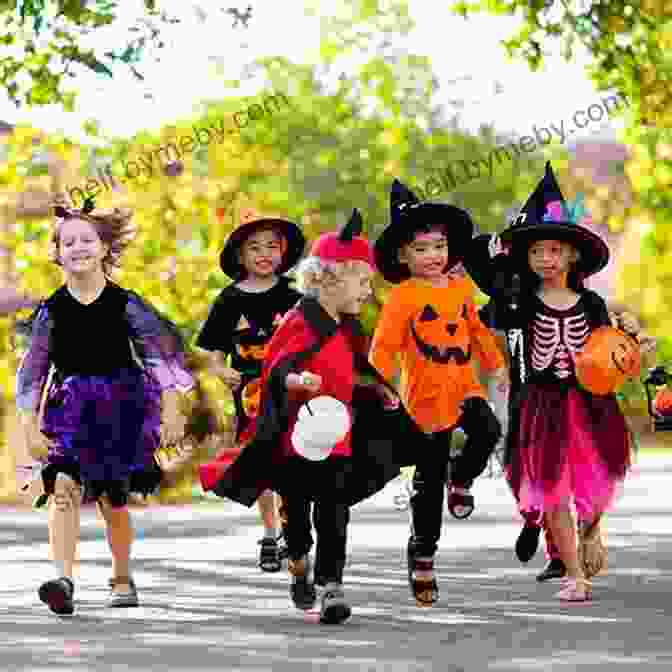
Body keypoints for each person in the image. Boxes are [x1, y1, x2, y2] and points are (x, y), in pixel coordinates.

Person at [199, 209, 422, 624]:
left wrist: (376, 390)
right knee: (298, 513)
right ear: (328, 279)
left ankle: (331, 585)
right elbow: (278, 365)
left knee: (334, 507)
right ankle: (299, 561)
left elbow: (355, 366)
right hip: (293, 439)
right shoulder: (300, 319)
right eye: (361, 281)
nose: (367, 291)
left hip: (337, 435)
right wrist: (296, 378)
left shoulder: (348, 325)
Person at [463, 162, 641, 601]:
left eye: (555, 251)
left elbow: (614, 351)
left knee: (597, 487)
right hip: (540, 404)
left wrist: (633, 342)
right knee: (552, 491)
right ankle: (575, 575)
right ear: (526, 257)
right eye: (537, 251)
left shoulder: (593, 303)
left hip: (589, 403)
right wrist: (500, 249)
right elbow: (478, 269)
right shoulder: (519, 302)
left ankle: (591, 531)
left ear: (572, 256)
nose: (546, 258)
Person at [16, 197, 193, 615]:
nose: (77, 247)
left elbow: (159, 357)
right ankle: (63, 577)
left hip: (120, 408)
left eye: (86, 240)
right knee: (62, 487)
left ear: (103, 248)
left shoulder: (126, 303)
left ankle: (120, 573)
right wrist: (28, 427)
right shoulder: (51, 311)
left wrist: (171, 410)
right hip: (69, 411)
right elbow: (32, 371)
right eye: (68, 242)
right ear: (57, 254)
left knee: (113, 501)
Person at [369, 179, 506, 607]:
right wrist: (378, 385)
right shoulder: (402, 298)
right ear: (403, 256)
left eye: (439, 247)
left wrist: (496, 366)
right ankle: (423, 555)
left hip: (464, 385)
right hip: (424, 399)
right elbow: (385, 347)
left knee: (487, 430)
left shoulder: (461, 288)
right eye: (422, 249)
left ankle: (462, 477)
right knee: (427, 485)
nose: (433, 257)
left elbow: (476, 330)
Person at [196, 207, 305, 572]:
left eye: (272, 246)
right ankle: (271, 533)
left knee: (293, 458)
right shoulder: (230, 300)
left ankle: (294, 528)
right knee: (265, 461)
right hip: (251, 393)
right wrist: (218, 370)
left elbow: (313, 341)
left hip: (293, 389)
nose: (264, 254)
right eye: (254, 247)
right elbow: (211, 349)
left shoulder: (295, 296)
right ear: (240, 256)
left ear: (284, 252)